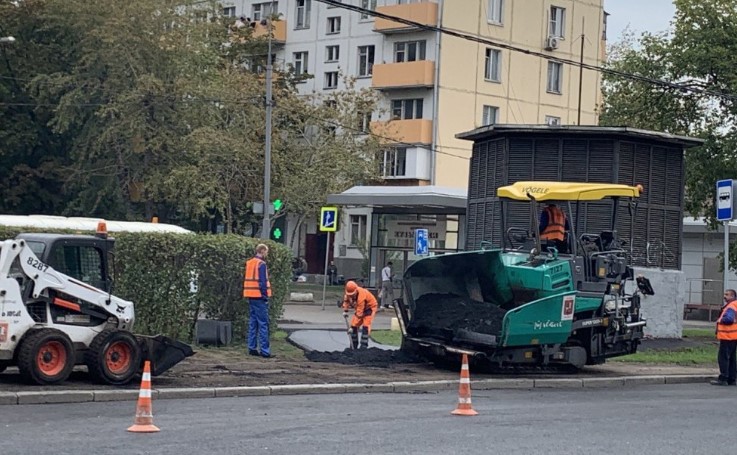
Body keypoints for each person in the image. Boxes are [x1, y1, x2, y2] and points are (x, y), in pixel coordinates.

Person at [243, 244, 273, 358]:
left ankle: (252, 348)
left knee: (253, 323)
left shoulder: (250, 263)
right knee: (263, 324)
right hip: (260, 297)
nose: (267, 254)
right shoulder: (261, 264)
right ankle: (265, 351)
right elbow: (262, 282)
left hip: (251, 295)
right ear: (262, 251)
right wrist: (265, 296)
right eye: (266, 251)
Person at [340, 280, 378, 349]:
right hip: (359, 309)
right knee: (353, 326)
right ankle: (353, 345)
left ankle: (363, 346)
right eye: (349, 295)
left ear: (356, 290)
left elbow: (359, 314)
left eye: (352, 294)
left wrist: (352, 327)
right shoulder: (348, 294)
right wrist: (345, 310)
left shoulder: (361, 295)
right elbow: (346, 301)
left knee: (366, 327)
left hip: (369, 308)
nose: (351, 296)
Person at [711, 289, 737, 386]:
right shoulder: (735, 305)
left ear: (732, 296)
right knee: (732, 358)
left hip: (727, 336)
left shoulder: (730, 306)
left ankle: (723, 378)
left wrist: (720, 320)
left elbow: (729, 319)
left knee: (723, 358)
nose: (724, 296)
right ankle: (732, 378)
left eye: (727, 295)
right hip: (734, 336)